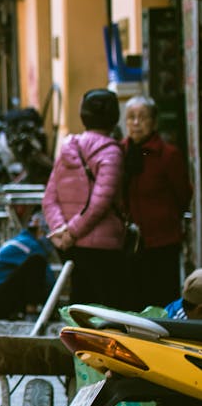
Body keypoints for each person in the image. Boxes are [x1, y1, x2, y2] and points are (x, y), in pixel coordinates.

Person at [42, 88, 125, 307]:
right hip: (103, 247)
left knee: (79, 307)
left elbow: (49, 198)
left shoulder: (69, 147)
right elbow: (100, 203)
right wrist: (71, 232)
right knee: (105, 311)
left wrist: (63, 232)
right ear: (114, 117)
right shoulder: (112, 152)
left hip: (71, 246)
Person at [121, 95, 192, 310]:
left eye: (142, 118)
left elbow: (183, 195)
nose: (135, 123)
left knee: (161, 300)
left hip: (162, 240)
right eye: (131, 117)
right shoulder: (119, 152)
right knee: (133, 300)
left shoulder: (169, 155)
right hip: (130, 242)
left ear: (153, 122)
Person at [0, 214, 56, 319]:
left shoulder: (20, 240)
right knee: (37, 261)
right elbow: (50, 282)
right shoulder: (31, 246)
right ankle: (31, 313)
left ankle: (25, 311)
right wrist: (54, 309)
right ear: (41, 232)